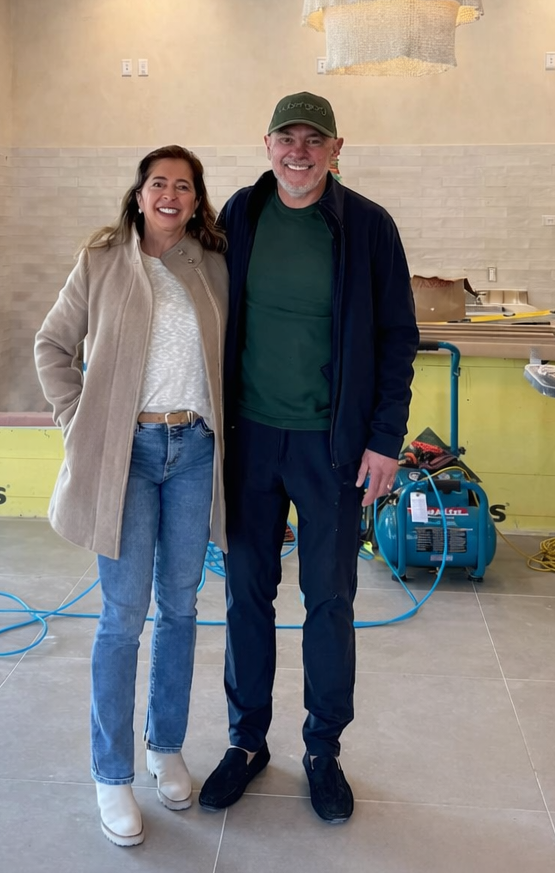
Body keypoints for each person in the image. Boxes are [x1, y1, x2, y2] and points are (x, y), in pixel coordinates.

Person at [199, 92, 420, 824]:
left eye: (313, 140)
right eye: (286, 138)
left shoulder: (367, 227)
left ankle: (323, 749)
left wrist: (385, 438)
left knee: (329, 602)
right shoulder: (238, 213)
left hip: (332, 448)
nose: (299, 151)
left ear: (336, 148)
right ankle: (247, 742)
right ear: (266, 144)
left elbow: (397, 338)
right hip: (250, 441)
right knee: (245, 597)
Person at [35, 146, 228, 847]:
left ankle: (164, 745)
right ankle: (111, 774)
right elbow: (52, 345)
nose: (170, 195)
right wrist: (79, 422)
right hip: (128, 456)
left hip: (195, 451)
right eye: (158, 184)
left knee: (180, 606)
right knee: (123, 616)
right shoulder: (102, 261)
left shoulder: (212, 266)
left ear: (197, 198)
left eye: (184, 185)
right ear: (139, 194)